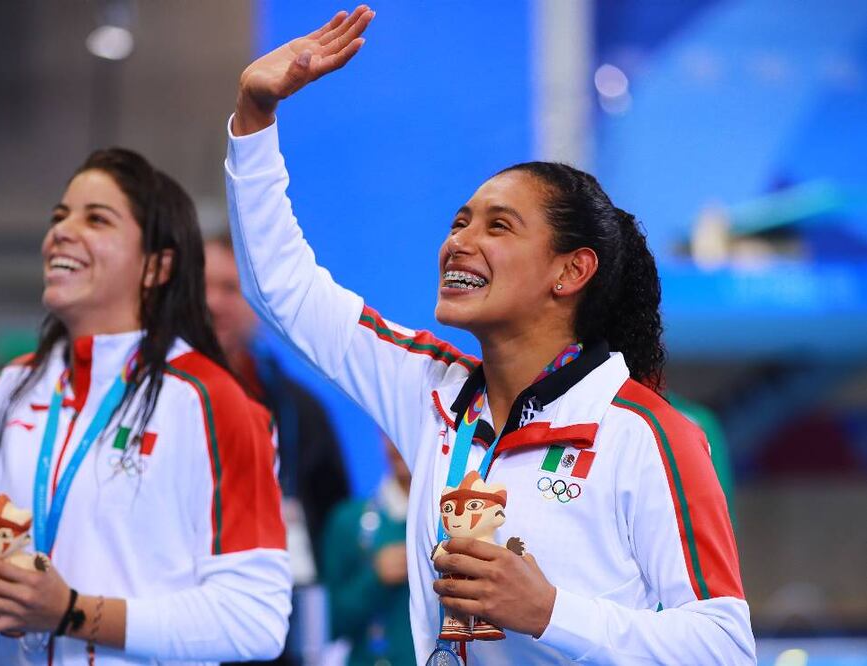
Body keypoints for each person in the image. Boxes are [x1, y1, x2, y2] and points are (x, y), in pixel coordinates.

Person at [224, 6, 755, 663]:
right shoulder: (430, 392)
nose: (458, 243)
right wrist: (254, 117)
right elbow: (283, 286)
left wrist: (550, 613)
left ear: (570, 270)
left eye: (497, 227)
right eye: (459, 221)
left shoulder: (645, 433)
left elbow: (724, 646)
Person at [0, 148, 291, 665]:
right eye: (59, 217)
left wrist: (70, 611)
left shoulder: (214, 402)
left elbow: (255, 620)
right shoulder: (10, 389)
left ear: (156, 265)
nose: (60, 231)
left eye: (96, 218)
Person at [205, 233, 350, 664]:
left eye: (229, 289)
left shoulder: (299, 410)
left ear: (256, 300)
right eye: (202, 287)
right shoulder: (153, 396)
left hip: (274, 625)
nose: (212, 302)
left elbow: (330, 517)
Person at [321, 438, 414, 665]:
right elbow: (326, 624)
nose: (398, 442)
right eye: (387, 431)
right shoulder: (349, 520)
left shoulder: (464, 521)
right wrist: (374, 578)